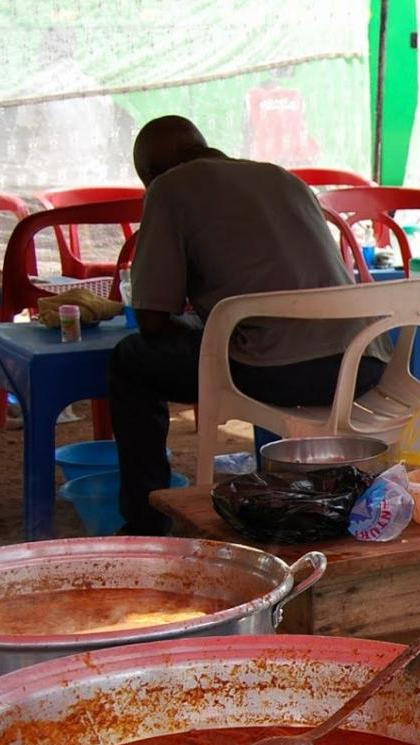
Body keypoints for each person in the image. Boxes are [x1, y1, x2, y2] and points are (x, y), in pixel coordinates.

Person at [109, 115, 384, 536]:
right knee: (248, 337)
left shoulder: (169, 188)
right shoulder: (283, 177)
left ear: (150, 173)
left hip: (281, 372)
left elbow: (151, 320)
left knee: (130, 361)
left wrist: (201, 330)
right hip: (363, 362)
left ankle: (146, 522)